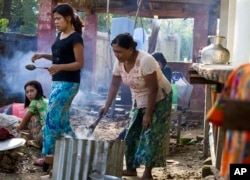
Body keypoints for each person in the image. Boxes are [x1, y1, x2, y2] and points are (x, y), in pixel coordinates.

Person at [99, 33, 172, 179]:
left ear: (130, 49)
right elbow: (114, 83)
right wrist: (106, 105)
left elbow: (153, 89)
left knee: (151, 134)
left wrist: (148, 114)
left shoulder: (146, 61)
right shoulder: (119, 63)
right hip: (138, 98)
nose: (116, 55)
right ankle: (131, 168)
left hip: (159, 99)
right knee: (131, 132)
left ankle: (147, 173)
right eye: (114, 51)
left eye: (119, 51)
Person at [31, 3, 84, 168]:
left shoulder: (76, 37)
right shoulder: (59, 35)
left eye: (58, 18)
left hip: (69, 83)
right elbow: (59, 58)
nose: (56, 22)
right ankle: (78, 149)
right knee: (61, 120)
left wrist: (59, 67)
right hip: (57, 82)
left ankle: (47, 155)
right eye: (54, 19)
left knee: (51, 117)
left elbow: (79, 63)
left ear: (68, 18)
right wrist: (43, 55)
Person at [16, 80, 48, 149]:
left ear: (38, 90)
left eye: (32, 91)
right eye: (27, 92)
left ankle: (37, 141)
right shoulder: (46, 100)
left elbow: (24, 121)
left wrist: (18, 128)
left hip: (44, 137)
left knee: (31, 117)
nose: (29, 94)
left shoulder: (35, 102)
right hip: (53, 133)